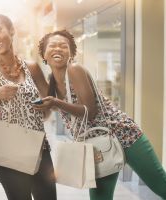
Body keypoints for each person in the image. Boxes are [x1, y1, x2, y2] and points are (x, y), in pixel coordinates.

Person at [34, 29, 166, 200]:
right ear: (44, 54)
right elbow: (48, 107)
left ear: (71, 54)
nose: (57, 49)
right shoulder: (52, 81)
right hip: (96, 144)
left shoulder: (75, 70)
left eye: (63, 46)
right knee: (100, 197)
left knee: (160, 185)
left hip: (124, 135)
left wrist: (56, 102)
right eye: (52, 46)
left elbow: (89, 111)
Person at [0, 14, 56, 200]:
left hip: (39, 147)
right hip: (7, 149)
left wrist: (44, 105)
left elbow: (49, 107)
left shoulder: (32, 67)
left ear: (11, 31)